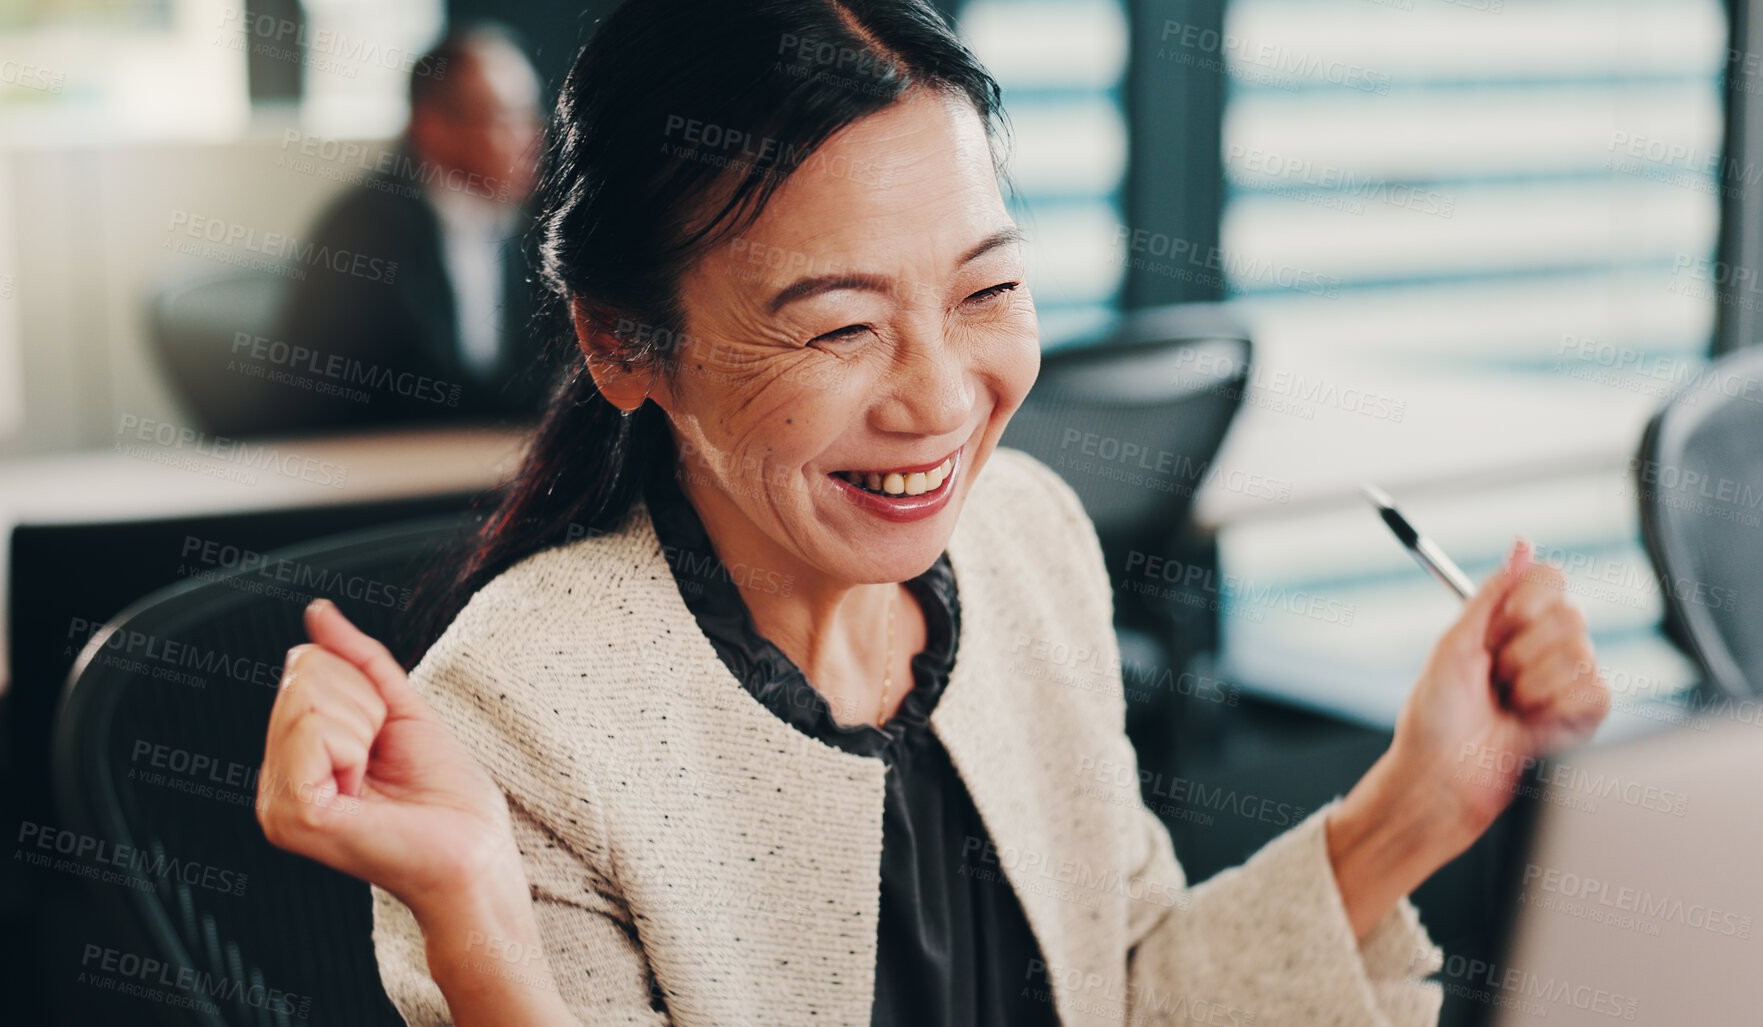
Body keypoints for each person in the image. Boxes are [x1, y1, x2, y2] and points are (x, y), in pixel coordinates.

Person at [253, 0, 1611, 1023]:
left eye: (985, 291)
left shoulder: (1022, 539)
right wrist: (480, 930)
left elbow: (1122, 988)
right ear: (623, 345)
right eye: (841, 325)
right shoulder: (524, 709)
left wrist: (1422, 798)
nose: (939, 398)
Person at [263, 24, 548, 432]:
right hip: (365, 467)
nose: (533, 139)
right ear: (433, 127)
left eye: (532, 113)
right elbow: (399, 390)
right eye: (508, 117)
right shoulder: (365, 230)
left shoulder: (522, 224)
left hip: (468, 461)